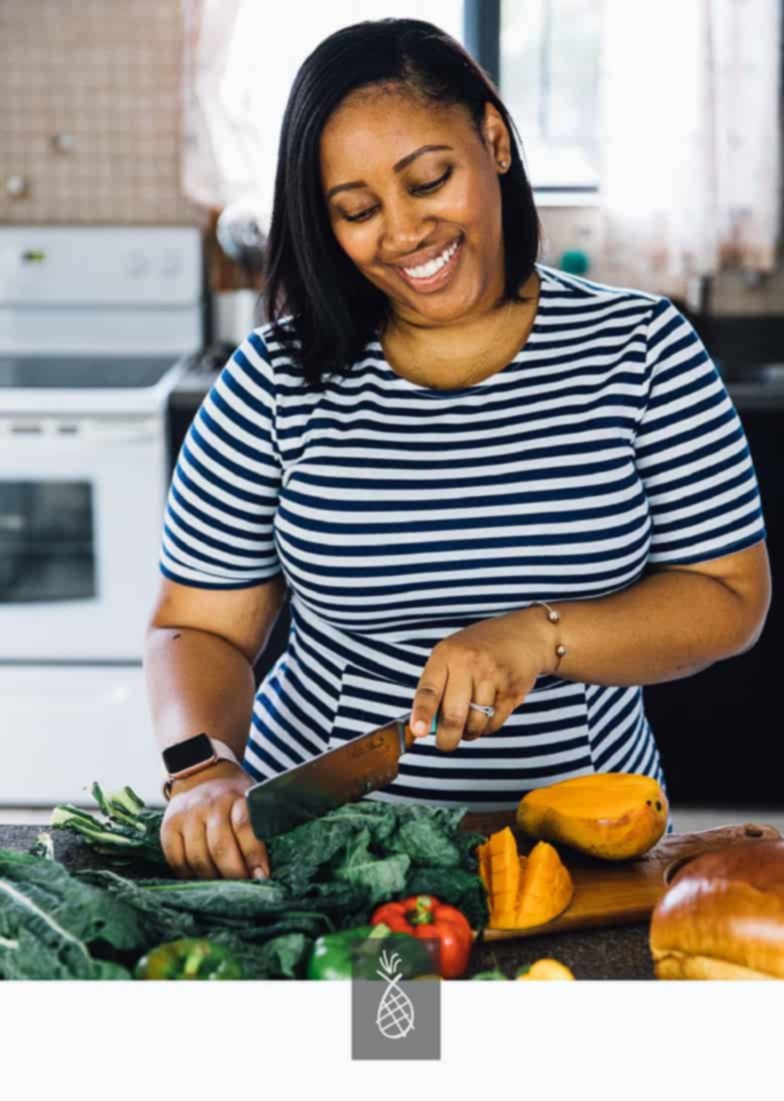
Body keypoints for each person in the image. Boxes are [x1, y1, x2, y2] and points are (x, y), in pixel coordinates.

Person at [146, 18, 771, 883]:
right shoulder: (273, 380)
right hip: (324, 851)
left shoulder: (642, 350)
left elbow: (730, 596)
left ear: (495, 140)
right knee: (375, 989)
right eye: (357, 210)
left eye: (429, 180)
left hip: (582, 850)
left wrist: (538, 637)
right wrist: (202, 769)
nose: (404, 231)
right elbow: (196, 626)